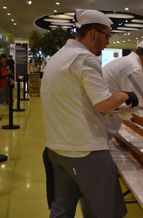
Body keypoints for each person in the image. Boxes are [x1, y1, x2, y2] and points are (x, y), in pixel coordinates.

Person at [40, 9, 135, 218]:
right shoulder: (84, 59)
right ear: (93, 34)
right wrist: (125, 96)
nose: (107, 42)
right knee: (106, 212)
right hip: (85, 151)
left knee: (61, 209)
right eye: (107, 35)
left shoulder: (58, 57)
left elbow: (79, 98)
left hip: (56, 148)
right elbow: (103, 104)